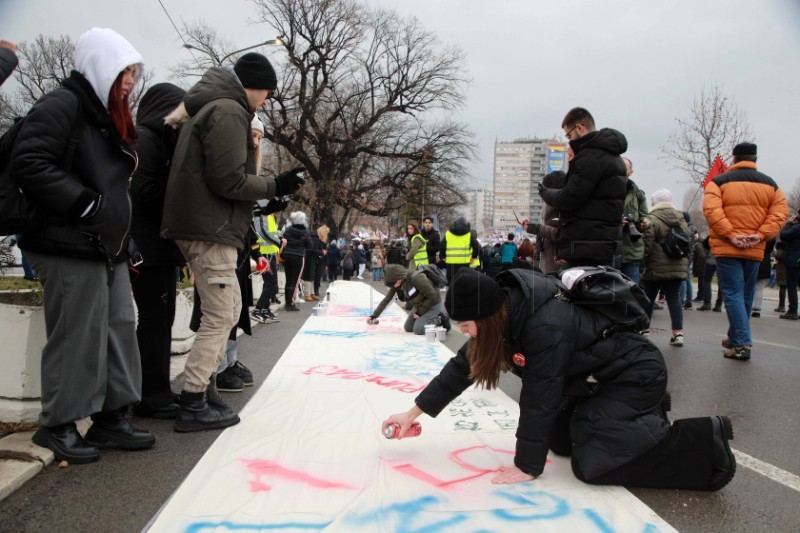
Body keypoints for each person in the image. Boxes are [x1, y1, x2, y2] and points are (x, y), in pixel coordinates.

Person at [382, 268, 736, 491]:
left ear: (488, 317)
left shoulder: (542, 326)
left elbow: (540, 397)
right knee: (562, 441)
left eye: (467, 324)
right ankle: (641, 415)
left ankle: (706, 440)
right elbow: (458, 372)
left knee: (594, 466)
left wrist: (526, 466)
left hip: (633, 375)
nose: (463, 331)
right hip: (592, 379)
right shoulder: (502, 319)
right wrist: (410, 415)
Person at [12, 28, 154, 463]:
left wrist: (116, 230)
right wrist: (86, 205)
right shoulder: (65, 104)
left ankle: (111, 415)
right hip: (66, 241)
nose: (130, 80)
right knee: (78, 332)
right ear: (100, 66)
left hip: (102, 245)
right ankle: (58, 423)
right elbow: (29, 161)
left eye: (133, 72)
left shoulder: (104, 114)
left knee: (117, 326)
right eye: (124, 71)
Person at [161, 51, 305, 431]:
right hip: (208, 228)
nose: (267, 101)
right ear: (254, 87)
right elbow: (227, 179)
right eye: (267, 93)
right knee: (223, 312)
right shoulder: (229, 110)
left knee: (226, 308)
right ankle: (193, 399)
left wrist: (268, 193)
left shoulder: (216, 106)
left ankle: (203, 389)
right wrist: (276, 184)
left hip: (207, 223)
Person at [129, 82, 187, 419]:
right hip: (146, 245)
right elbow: (142, 189)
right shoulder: (145, 139)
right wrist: (178, 192)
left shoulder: (164, 141)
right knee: (153, 320)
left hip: (161, 244)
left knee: (164, 319)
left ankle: (159, 389)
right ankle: (149, 395)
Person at [702, 142, 788, 361]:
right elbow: (780, 214)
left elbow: (712, 211)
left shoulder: (718, 182)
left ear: (734, 159)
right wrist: (760, 235)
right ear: (755, 159)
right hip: (754, 247)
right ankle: (734, 337)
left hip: (727, 246)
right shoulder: (772, 185)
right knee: (746, 294)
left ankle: (742, 344)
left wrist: (731, 234)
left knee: (732, 293)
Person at [538, 107, 627, 268]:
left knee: (576, 290)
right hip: (605, 242)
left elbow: (569, 198)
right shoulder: (615, 158)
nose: (569, 141)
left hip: (585, 245)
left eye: (568, 135)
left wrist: (545, 192)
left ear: (579, 128)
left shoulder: (589, 157)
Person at [641, 189, 689, 346]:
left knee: (648, 298)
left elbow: (647, 245)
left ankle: (644, 330)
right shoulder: (681, 219)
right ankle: (678, 333)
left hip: (656, 265)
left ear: (654, 202)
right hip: (677, 264)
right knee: (674, 298)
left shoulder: (652, 219)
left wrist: (642, 265)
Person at [367, 264, 443, 335]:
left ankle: (440, 319)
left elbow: (433, 297)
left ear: (399, 279)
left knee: (418, 330)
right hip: (419, 305)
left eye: (392, 284)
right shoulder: (397, 283)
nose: (392, 286)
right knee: (408, 328)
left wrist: (420, 313)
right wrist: (374, 315)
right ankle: (425, 319)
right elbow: (387, 299)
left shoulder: (418, 278)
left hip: (433, 303)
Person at [523, 171, 566, 274]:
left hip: (557, 261)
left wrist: (534, 228)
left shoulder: (561, 205)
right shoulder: (548, 204)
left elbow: (561, 233)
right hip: (547, 259)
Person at [620, 157, 650, 283]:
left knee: (631, 294)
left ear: (630, 172)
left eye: (624, 168)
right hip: (609, 249)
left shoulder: (638, 193)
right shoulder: (604, 190)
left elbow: (645, 215)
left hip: (631, 250)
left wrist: (646, 222)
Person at [281, 211, 312, 309]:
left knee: (288, 279)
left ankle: (287, 303)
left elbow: (283, 240)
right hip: (298, 257)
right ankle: (291, 303)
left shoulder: (288, 230)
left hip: (287, 256)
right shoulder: (304, 232)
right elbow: (309, 245)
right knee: (294, 281)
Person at [439, 216, 480, 283]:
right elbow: (476, 246)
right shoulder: (468, 234)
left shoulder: (448, 233)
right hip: (464, 263)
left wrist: (444, 257)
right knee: (463, 283)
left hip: (451, 263)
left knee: (452, 283)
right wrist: (473, 257)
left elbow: (441, 246)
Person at [778, 210, 800, 320]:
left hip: (794, 260)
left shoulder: (796, 228)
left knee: (792, 286)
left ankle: (793, 310)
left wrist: (789, 223)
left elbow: (783, 235)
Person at [751, 239, 776, 318]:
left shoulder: (756, 234)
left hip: (753, 259)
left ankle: (746, 306)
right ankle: (757, 309)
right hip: (765, 261)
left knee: (748, 285)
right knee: (759, 287)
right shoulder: (771, 236)